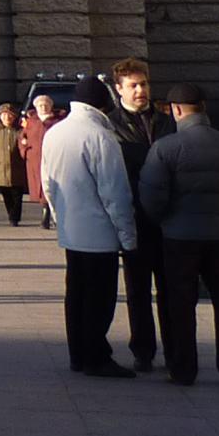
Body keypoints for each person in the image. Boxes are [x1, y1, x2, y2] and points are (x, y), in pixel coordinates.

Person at [138, 82, 219, 387]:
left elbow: (152, 197)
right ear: (204, 108)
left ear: (175, 110)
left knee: (180, 303)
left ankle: (183, 369)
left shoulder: (166, 148)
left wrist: (167, 219)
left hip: (180, 237)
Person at [39, 77, 137, 377]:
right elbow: (114, 192)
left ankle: (78, 354)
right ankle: (96, 357)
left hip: (72, 231)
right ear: (102, 103)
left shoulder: (55, 133)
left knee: (76, 295)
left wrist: (59, 218)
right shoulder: (100, 135)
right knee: (100, 298)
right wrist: (128, 237)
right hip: (100, 233)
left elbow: (48, 183)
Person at [107, 58, 176, 371]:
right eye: (133, 85)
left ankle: (175, 347)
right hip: (134, 218)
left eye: (144, 84)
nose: (140, 91)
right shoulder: (111, 125)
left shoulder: (166, 122)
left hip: (167, 219)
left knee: (171, 289)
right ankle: (143, 350)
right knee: (137, 290)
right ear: (119, 89)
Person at [20, 92, 61, 231]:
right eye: (40, 105)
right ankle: (46, 212)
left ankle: (48, 215)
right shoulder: (31, 121)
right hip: (35, 160)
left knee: (52, 187)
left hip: (53, 159)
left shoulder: (58, 121)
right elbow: (22, 137)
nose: (43, 108)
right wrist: (25, 148)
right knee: (41, 187)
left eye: (46, 105)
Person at [0, 103, 27, 226]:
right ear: (0, 116)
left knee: (17, 195)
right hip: (0, 167)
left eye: (10, 115)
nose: (7, 117)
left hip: (18, 168)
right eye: (4, 115)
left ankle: (15, 218)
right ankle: (11, 213)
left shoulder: (20, 130)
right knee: (6, 194)